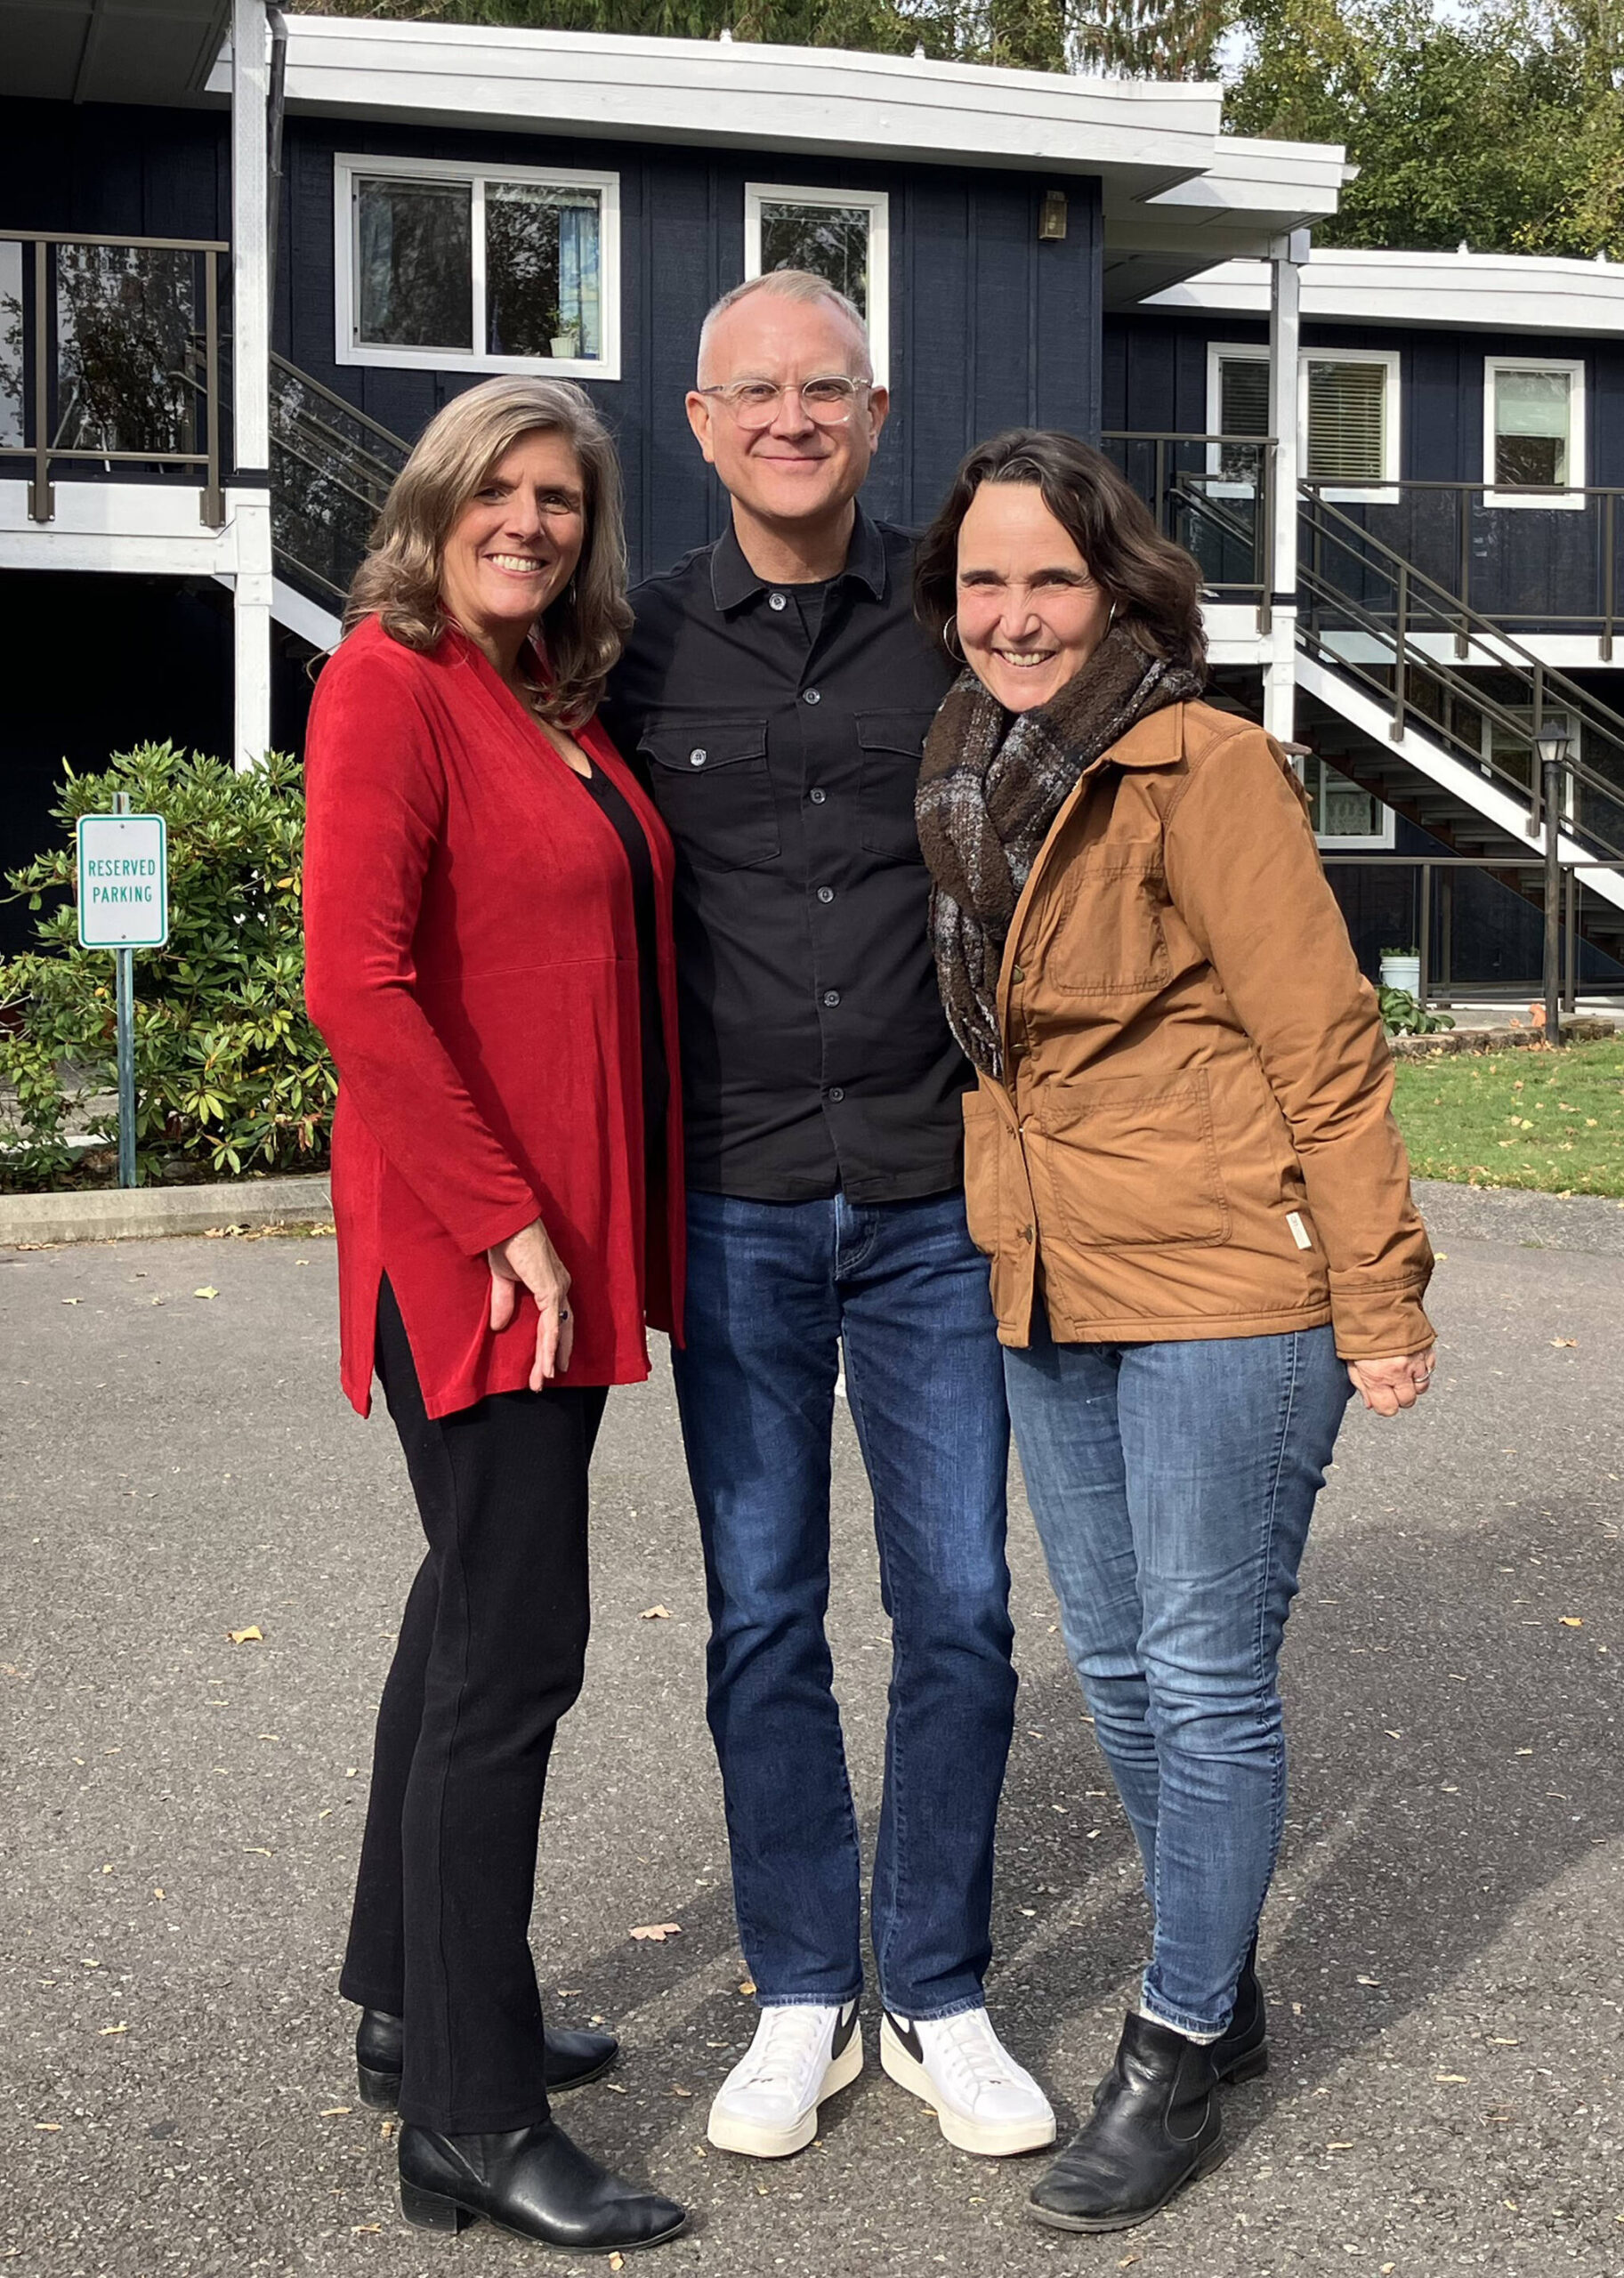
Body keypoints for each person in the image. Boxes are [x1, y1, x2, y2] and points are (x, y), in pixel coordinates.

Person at [912, 429, 1436, 2235]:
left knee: (1203, 1677)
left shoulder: (1198, 762)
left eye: (1050, 578)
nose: (1015, 614)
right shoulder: (967, 773)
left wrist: (1376, 1290)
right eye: (984, 581)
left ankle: (1177, 2031)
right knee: (1124, 1670)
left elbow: (1323, 1037)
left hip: (1226, 1279)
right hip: (1048, 1277)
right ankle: (1219, 1970)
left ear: (1119, 589)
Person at [601, 273, 1054, 2163]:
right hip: (734, 1199)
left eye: (825, 390)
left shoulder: (958, 632)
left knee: (954, 1604)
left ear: (873, 418)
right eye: (751, 393)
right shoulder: (622, 653)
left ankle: (937, 1986)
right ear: (697, 426)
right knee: (762, 1608)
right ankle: (805, 1985)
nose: (789, 417)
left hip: (940, 1190)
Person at [303, 376, 688, 2254]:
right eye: (501, 488)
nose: (532, 518)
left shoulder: (543, 697)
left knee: (466, 1604)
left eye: (562, 496)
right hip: (480, 1252)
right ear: (439, 499)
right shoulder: (388, 677)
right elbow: (355, 985)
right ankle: (467, 2112)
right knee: (511, 1653)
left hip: (555, 1239)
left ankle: (412, 1994)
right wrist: (508, 1219)